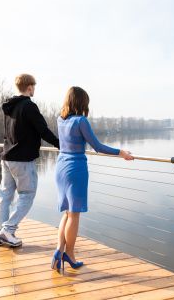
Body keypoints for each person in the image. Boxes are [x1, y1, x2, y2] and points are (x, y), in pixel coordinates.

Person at [51, 86, 133, 270]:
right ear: (82, 102)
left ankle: (59, 251)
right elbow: (97, 146)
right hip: (75, 169)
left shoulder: (60, 119)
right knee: (74, 213)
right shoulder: (81, 121)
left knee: (67, 212)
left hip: (61, 166)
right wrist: (121, 152)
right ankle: (69, 254)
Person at [0, 74, 60, 247]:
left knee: (5, 195)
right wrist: (61, 144)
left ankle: (0, 232)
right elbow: (43, 130)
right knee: (27, 195)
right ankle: (7, 231)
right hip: (22, 159)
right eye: (34, 86)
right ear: (29, 87)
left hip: (7, 156)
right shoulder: (29, 106)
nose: (34, 89)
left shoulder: (9, 107)